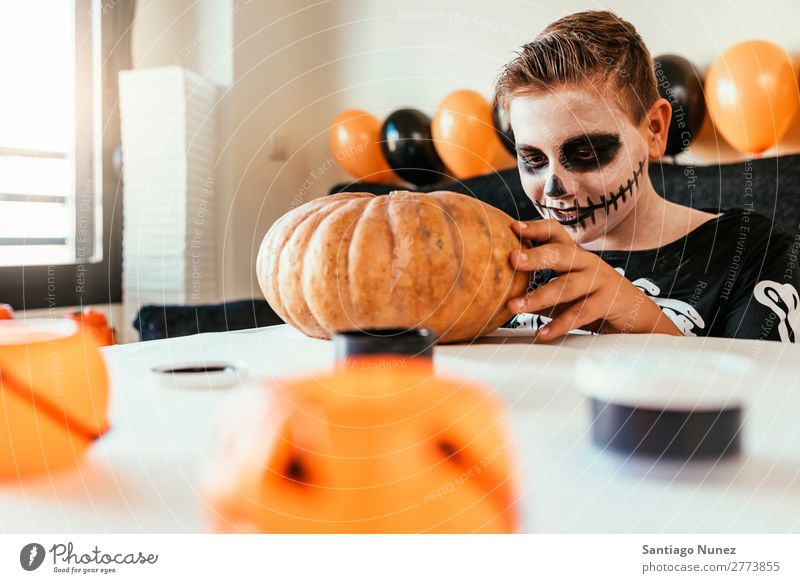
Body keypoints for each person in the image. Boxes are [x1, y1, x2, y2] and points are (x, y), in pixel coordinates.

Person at [494, 10, 800, 343]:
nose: (554, 188)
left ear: (654, 129)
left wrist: (641, 320)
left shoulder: (751, 251)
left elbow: (769, 391)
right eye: (533, 159)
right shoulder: (513, 258)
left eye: (587, 153)